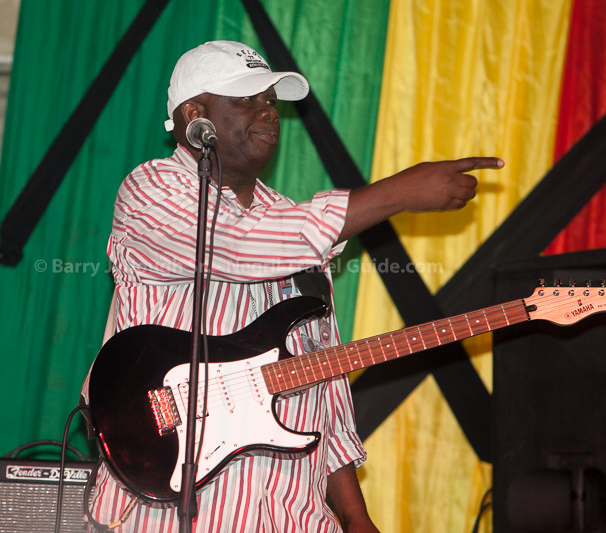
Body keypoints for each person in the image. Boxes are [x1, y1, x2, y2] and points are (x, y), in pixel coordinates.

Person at [86, 40, 503, 532]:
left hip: (293, 513)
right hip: (181, 505)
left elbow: (323, 377)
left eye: (271, 101)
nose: (269, 113)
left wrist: (354, 514)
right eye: (247, 100)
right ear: (195, 115)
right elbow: (242, 246)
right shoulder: (151, 192)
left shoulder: (292, 221)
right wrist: (397, 193)